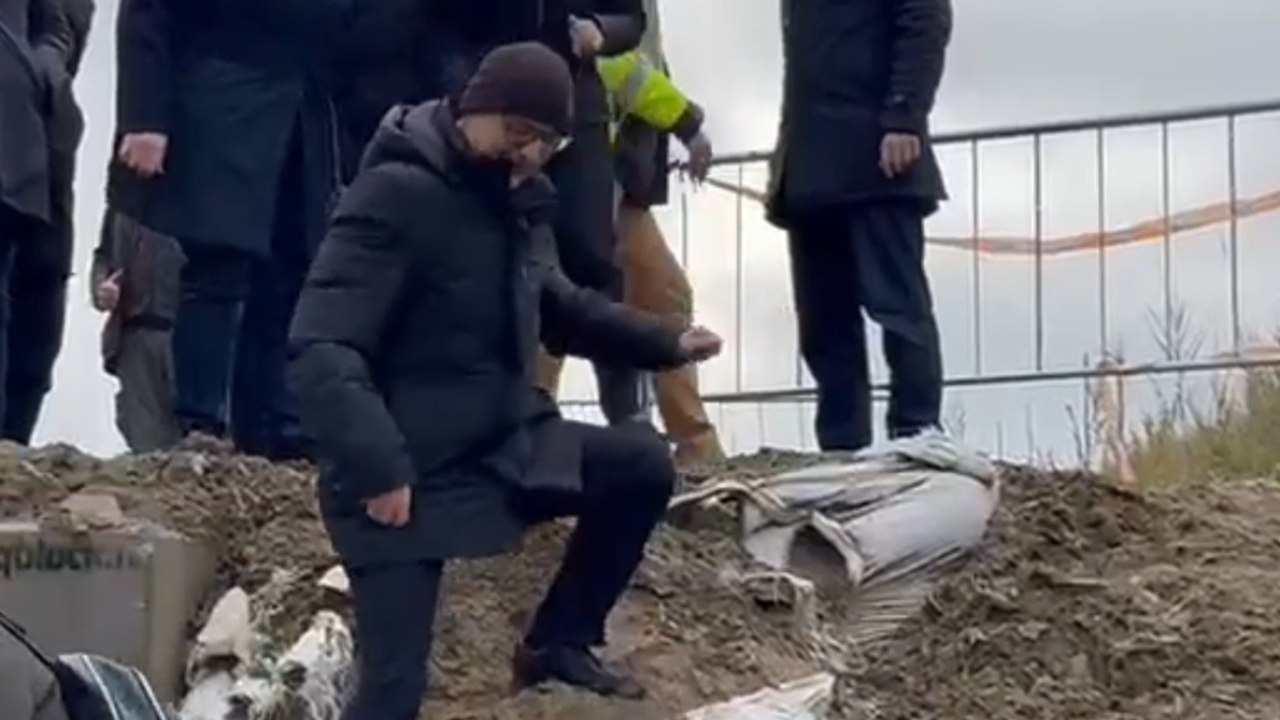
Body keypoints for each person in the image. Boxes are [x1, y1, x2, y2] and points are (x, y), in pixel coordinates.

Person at [288, 43, 722, 720]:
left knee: (638, 463)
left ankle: (560, 642)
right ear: (473, 111)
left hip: (500, 443)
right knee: (394, 691)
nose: (528, 153)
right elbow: (321, 344)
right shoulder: (395, 192)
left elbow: (557, 304)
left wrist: (665, 340)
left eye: (544, 142)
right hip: (401, 472)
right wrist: (378, 465)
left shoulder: (515, 203)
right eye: (516, 134)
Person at [108, 0, 347, 456]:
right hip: (222, 94)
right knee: (220, 264)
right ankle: (201, 423)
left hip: (302, 108)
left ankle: (276, 429)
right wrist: (144, 118)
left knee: (290, 273)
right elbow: (148, 11)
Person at [428, 0, 654, 427]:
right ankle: (495, 416)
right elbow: (438, 25)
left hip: (576, 117)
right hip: (493, 118)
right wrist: (465, 92)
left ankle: (629, 415)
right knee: (486, 258)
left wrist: (600, 32)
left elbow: (632, 18)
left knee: (593, 259)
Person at [766, 0, 952, 451]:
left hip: (877, 161)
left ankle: (916, 435)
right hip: (811, 168)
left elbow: (925, 19)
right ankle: (842, 446)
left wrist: (905, 115)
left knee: (898, 309)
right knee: (824, 323)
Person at [536, 44, 725, 468]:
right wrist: (689, 124)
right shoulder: (601, 31)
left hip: (620, 193)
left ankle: (695, 447)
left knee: (663, 295)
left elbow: (632, 76)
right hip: (570, 194)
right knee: (549, 306)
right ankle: (532, 433)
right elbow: (627, 72)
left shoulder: (630, 30)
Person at [3, 0, 93, 444]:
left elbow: (57, 27)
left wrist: (46, 64)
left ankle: (11, 448)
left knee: (38, 302)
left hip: (38, 138)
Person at [90, 207, 184, 453]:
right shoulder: (123, 195)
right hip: (135, 337)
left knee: (197, 444)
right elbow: (104, 254)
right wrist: (102, 287)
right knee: (148, 449)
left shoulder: (203, 186)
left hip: (191, 334)